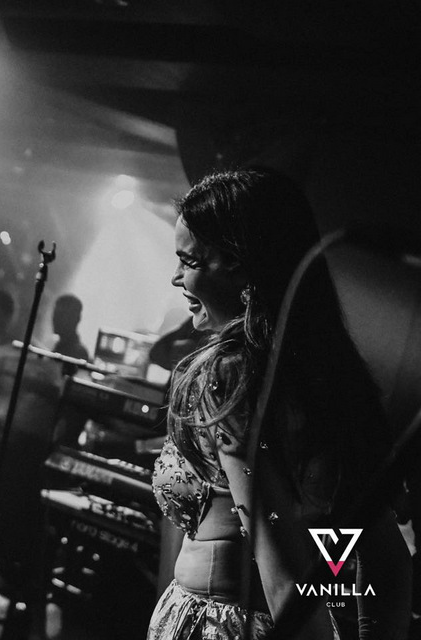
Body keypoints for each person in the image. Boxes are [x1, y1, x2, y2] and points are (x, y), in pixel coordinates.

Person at [149, 169, 410, 640]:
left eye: (189, 261)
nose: (176, 277)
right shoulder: (331, 374)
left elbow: (281, 567)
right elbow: (385, 558)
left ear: (240, 263)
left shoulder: (229, 375)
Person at [51, 293, 90, 376]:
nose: (54, 319)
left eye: (60, 315)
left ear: (75, 319)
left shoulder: (78, 353)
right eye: (55, 314)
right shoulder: (56, 345)